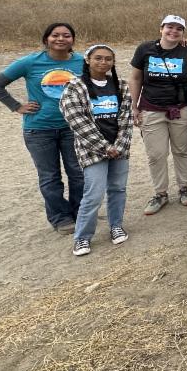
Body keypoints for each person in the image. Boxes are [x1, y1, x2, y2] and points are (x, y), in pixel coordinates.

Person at [0, 22, 85, 232]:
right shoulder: (31, 62)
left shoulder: (81, 62)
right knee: (50, 176)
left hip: (73, 127)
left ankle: (81, 213)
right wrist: (16, 106)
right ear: (46, 39)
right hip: (39, 129)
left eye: (66, 35)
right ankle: (60, 218)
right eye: (55, 35)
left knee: (78, 173)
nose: (60, 39)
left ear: (72, 40)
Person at [59, 45, 132, 257]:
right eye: (98, 58)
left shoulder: (121, 86)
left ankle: (116, 225)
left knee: (118, 188)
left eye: (108, 59)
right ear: (88, 60)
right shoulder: (75, 86)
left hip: (120, 148)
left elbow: (126, 119)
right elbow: (76, 120)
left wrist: (118, 146)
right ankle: (82, 237)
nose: (103, 62)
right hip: (92, 150)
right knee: (93, 194)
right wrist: (104, 147)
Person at [128, 15, 187, 215]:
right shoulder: (145, 49)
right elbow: (135, 78)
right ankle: (160, 193)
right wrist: (134, 107)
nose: (174, 31)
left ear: (183, 32)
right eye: (170, 27)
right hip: (151, 108)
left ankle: (184, 189)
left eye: (179, 28)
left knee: (181, 150)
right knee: (156, 154)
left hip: (181, 108)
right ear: (161, 28)